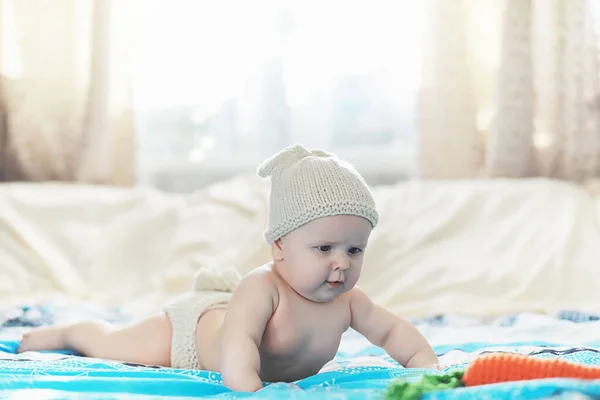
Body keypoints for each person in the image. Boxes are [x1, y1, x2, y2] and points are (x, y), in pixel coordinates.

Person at [18, 144, 441, 392]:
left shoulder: (349, 302)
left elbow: (393, 332)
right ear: (279, 245)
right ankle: (68, 331)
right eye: (324, 247)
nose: (340, 264)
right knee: (116, 345)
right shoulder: (264, 287)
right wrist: (251, 393)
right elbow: (239, 345)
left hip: (222, 320)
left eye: (355, 250)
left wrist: (427, 365)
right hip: (190, 335)